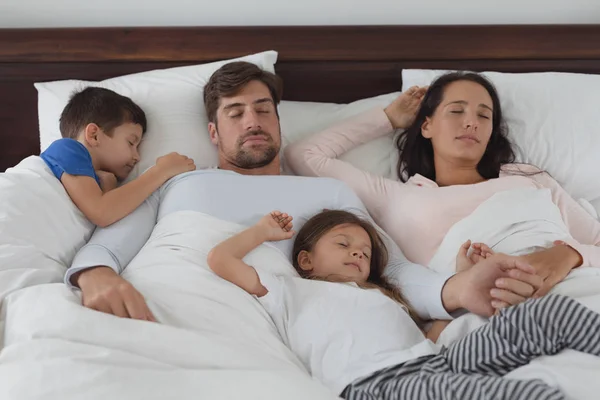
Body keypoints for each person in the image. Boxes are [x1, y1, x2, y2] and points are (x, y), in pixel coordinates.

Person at [65, 62, 541, 323]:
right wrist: (93, 276)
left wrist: (455, 290)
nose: (252, 121)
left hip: (284, 327)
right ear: (213, 132)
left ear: (278, 121)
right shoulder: (178, 182)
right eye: (235, 113)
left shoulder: (331, 192)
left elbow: (391, 268)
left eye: (263, 109)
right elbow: (109, 240)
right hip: (173, 306)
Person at [207, 209, 600, 400]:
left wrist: (463, 278)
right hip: (380, 385)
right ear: (306, 260)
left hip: (435, 361)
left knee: (542, 314)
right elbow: (220, 260)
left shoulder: (383, 295)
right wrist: (262, 231)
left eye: (364, 252)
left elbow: (432, 334)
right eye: (343, 244)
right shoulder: (290, 291)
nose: (358, 254)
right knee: (528, 394)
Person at [285, 72, 600, 304]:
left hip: (582, 284)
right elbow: (304, 154)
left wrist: (569, 255)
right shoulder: (397, 197)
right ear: (426, 125)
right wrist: (388, 118)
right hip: (490, 309)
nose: (471, 122)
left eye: (483, 115)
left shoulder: (528, 177)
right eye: (456, 110)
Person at [40, 87, 196, 227]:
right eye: (131, 143)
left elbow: (106, 216)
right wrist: (161, 171)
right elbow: (102, 213)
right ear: (94, 135)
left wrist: (108, 189)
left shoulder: (94, 180)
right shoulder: (67, 148)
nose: (137, 157)